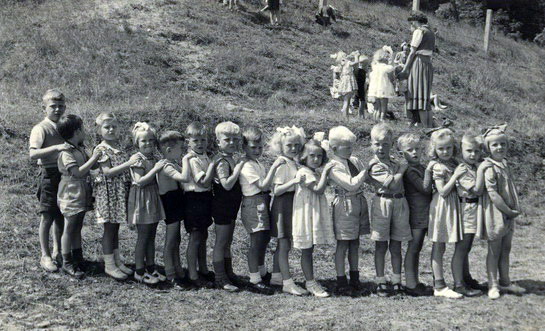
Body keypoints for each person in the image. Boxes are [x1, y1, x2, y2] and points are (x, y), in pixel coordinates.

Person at [477, 125, 526, 299]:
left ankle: (505, 281)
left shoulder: (504, 164)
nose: (499, 148)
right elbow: (493, 195)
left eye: (502, 144)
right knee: (494, 250)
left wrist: (512, 210)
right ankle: (493, 284)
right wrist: (508, 211)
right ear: (487, 148)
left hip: (508, 214)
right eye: (495, 145)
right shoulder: (489, 167)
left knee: (506, 248)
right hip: (496, 214)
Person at [367, 124, 411, 296]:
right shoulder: (374, 165)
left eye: (385, 144)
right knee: (380, 244)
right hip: (383, 204)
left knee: (396, 244)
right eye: (377, 144)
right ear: (371, 144)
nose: (381, 148)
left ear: (391, 145)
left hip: (399, 204)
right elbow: (392, 184)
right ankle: (380, 281)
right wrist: (401, 170)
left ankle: (396, 280)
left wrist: (398, 168)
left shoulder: (393, 162)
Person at [29, 89, 71, 272]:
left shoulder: (63, 126)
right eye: (53, 106)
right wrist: (57, 147)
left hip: (65, 175)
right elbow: (33, 153)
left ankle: (58, 251)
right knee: (47, 215)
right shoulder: (40, 128)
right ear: (44, 108)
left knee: (61, 214)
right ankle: (45, 255)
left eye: (61, 106)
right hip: (48, 174)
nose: (57, 109)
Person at [239, 127, 283, 294]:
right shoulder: (246, 166)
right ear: (244, 147)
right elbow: (263, 185)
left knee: (264, 238)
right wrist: (275, 167)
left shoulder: (256, 163)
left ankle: (262, 271)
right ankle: (254, 278)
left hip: (263, 201)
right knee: (256, 242)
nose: (257, 151)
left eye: (260, 147)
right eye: (253, 147)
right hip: (253, 203)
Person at [325, 126, 369, 296]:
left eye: (351, 146)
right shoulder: (333, 166)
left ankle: (355, 277)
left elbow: (367, 178)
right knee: (343, 243)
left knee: (355, 242)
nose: (351, 150)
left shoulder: (355, 161)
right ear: (334, 148)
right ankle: (341, 279)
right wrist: (366, 171)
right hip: (344, 204)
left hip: (358, 203)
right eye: (347, 147)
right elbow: (351, 183)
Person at [56, 114, 100, 279]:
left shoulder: (80, 148)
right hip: (71, 193)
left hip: (81, 192)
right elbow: (78, 172)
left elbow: (92, 165)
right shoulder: (66, 151)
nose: (84, 131)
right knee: (70, 227)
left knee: (77, 226)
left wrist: (97, 154)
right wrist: (94, 158)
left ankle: (78, 258)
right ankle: (67, 261)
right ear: (76, 131)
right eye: (82, 129)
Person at [93, 112, 135, 280]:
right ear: (99, 131)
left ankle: (117, 261)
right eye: (106, 127)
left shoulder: (119, 148)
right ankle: (109, 265)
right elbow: (108, 172)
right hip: (109, 194)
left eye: (114, 127)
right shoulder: (101, 149)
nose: (111, 130)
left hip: (119, 192)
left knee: (116, 227)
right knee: (109, 229)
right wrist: (129, 163)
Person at [292, 139, 335, 297]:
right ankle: (310, 282)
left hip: (312, 212)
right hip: (306, 214)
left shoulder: (313, 171)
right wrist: (325, 172)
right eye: (312, 156)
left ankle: (311, 280)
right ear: (304, 157)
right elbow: (318, 189)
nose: (316, 159)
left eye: (319, 156)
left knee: (310, 249)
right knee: (307, 249)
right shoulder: (304, 172)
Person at [268, 126, 307, 296]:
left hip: (291, 204)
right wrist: (295, 181)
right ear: (281, 147)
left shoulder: (293, 161)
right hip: (283, 204)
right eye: (289, 145)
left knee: (285, 243)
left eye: (297, 145)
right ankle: (287, 282)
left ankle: (276, 276)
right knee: (284, 244)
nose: (293, 148)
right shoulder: (283, 164)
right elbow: (276, 190)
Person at [427, 128, 465, 298]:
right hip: (442, 205)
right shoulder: (437, 166)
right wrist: (456, 177)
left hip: (454, 204)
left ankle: (459, 282)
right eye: (441, 148)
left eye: (448, 148)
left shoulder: (453, 163)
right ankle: (439, 285)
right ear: (434, 149)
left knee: (453, 244)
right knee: (439, 244)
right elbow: (442, 190)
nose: (445, 152)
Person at [128, 122, 166, 285]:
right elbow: (140, 181)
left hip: (153, 196)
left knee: (151, 235)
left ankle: (151, 267)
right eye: (144, 141)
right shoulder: (136, 159)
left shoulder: (154, 158)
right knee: (143, 236)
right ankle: (139, 270)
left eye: (151, 140)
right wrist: (156, 169)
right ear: (137, 143)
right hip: (142, 198)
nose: (148, 144)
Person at [451, 133, 488, 296]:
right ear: (461, 151)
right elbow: (478, 190)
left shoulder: (474, 167)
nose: (473, 155)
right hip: (465, 209)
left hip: (473, 209)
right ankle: (459, 284)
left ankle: (466, 278)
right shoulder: (463, 170)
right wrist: (483, 169)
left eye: (476, 151)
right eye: (469, 151)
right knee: (462, 248)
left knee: (467, 247)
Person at [156, 131, 194, 289]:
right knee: (171, 239)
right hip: (170, 204)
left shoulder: (172, 163)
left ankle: (179, 270)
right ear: (169, 150)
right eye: (180, 148)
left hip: (177, 201)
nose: (183, 152)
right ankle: (170, 274)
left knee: (176, 239)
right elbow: (184, 177)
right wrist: (186, 159)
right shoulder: (165, 166)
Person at [182, 122, 217, 288]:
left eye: (203, 139)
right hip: (194, 199)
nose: (200, 143)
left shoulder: (204, 156)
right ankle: (193, 274)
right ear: (188, 142)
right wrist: (213, 166)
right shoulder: (193, 159)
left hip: (205, 199)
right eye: (195, 140)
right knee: (195, 237)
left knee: (203, 235)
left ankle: (203, 268)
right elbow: (202, 182)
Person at [211, 122, 245, 292]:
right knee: (221, 241)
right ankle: (219, 277)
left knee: (228, 241)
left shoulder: (232, 157)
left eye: (235, 139)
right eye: (227, 139)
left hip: (232, 205)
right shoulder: (222, 161)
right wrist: (238, 169)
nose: (232, 142)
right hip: (222, 205)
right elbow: (226, 185)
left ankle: (228, 271)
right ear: (218, 141)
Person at [398, 133, 433, 297]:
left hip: (425, 213)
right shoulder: (410, 170)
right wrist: (431, 170)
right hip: (416, 214)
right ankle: (411, 283)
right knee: (414, 248)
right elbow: (425, 188)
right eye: (409, 150)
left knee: (417, 248)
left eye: (417, 149)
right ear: (402, 153)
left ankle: (415, 281)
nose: (414, 152)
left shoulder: (421, 167)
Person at [398, 12, 436, 128]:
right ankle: (427, 126)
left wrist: (405, 69)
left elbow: (412, 52)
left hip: (418, 62)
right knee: (424, 95)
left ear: (415, 21)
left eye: (412, 23)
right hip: (427, 63)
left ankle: (424, 127)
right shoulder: (431, 32)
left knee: (416, 93)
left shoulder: (419, 31)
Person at [367, 48, 396, 122]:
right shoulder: (385, 67)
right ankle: (382, 120)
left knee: (377, 108)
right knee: (384, 107)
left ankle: (375, 121)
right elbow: (392, 68)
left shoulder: (374, 67)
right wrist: (392, 59)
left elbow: (373, 63)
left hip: (375, 90)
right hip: (383, 89)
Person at [337, 51, 360, 117]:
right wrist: (356, 56)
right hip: (348, 82)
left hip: (344, 81)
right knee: (347, 101)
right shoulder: (348, 62)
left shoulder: (341, 64)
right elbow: (355, 63)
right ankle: (344, 115)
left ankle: (346, 115)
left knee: (346, 100)